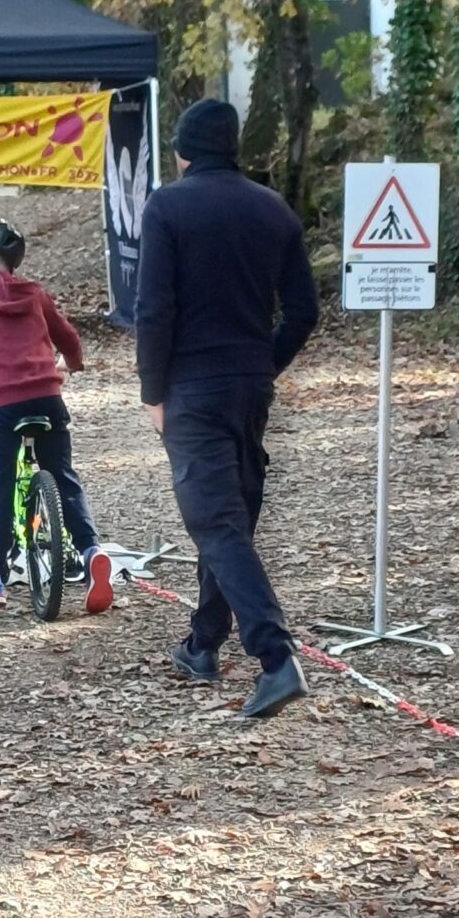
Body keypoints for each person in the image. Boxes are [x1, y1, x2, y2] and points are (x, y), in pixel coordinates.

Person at [135, 98, 319, 719]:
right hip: (250, 387)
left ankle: (275, 657)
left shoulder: (167, 206)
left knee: (215, 522)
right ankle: (202, 644)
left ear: (183, 151)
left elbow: (154, 310)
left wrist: (151, 390)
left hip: (191, 389)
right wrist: (264, 363)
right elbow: (304, 312)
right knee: (231, 516)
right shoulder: (274, 210)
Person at [0, 216, 113, 616]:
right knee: (62, 475)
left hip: (3, 407)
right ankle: (91, 550)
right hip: (48, 399)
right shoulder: (35, 294)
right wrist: (72, 364)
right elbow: (69, 338)